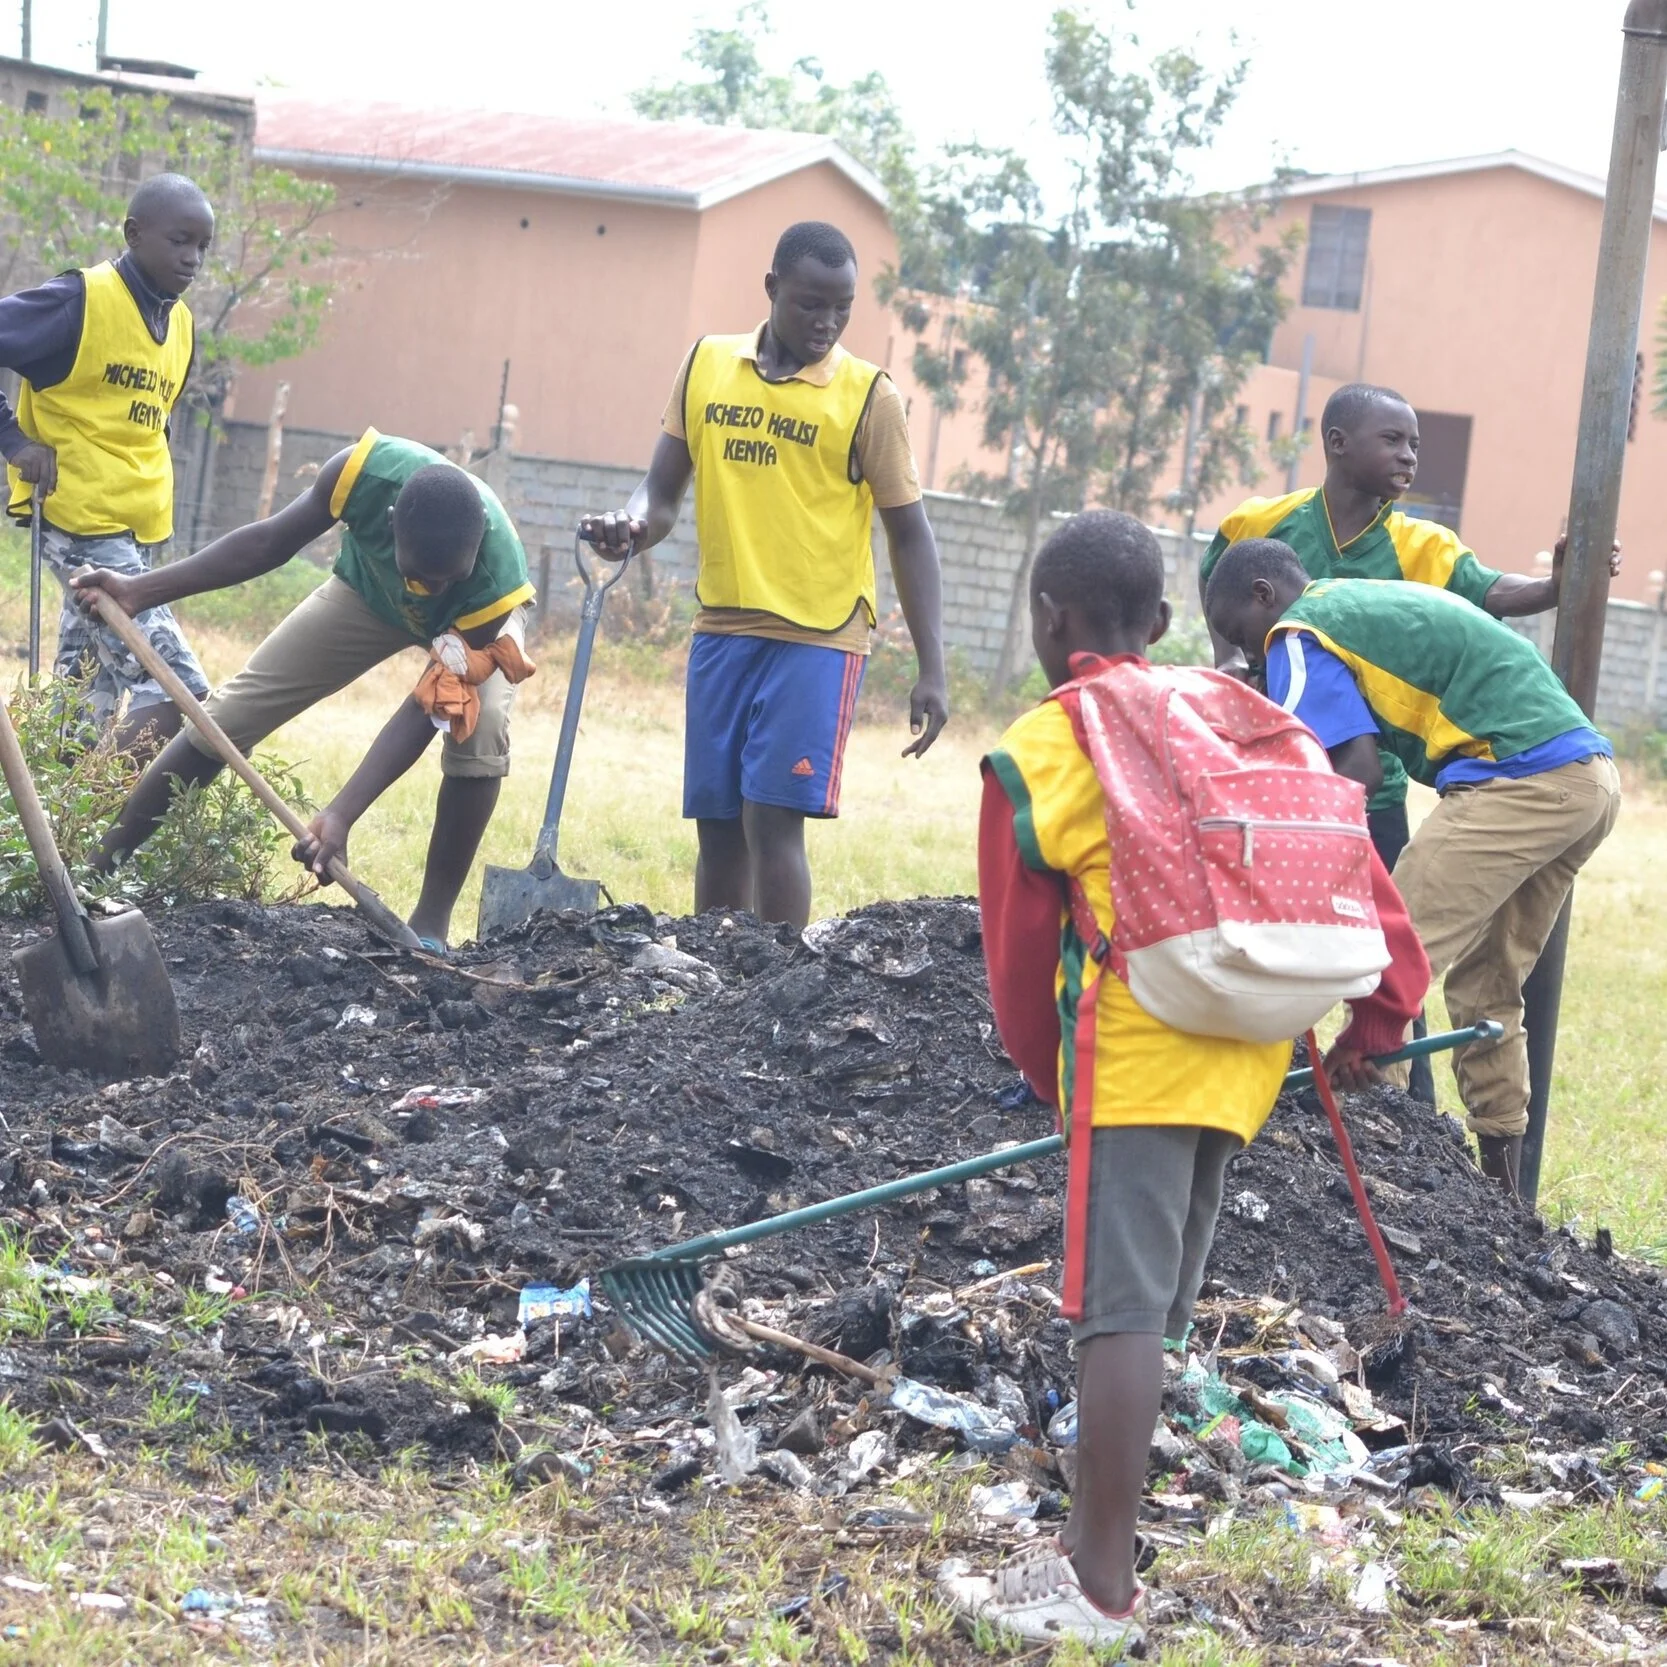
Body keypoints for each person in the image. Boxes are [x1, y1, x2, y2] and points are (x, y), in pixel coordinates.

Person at [942, 512, 1429, 1647]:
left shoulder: (1053, 736)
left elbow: (1016, 946)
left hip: (1141, 1041)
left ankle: (1096, 1590)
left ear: (1049, 620)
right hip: (1248, 1039)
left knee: (1112, 1317)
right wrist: (1378, 1017)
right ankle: (1085, 1552)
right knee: (1152, 1314)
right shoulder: (1239, 711)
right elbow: (1355, 867)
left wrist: (1045, 1069)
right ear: (1161, 622)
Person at [1205, 540, 1621, 1195]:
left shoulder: (1295, 632)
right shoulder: (1347, 604)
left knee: (1384, 948)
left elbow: (1351, 770)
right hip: (1584, 780)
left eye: (1238, 635)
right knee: (1485, 989)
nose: (1246, 654)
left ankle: (1367, 1166)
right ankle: (1505, 1202)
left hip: (1518, 776)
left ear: (1263, 596)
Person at [578, 220, 948, 929]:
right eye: (811, 303)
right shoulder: (707, 364)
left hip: (818, 636)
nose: (827, 322)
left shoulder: (870, 397)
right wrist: (627, 528)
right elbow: (657, 497)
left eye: (842, 308)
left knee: (771, 819)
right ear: (772, 288)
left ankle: (775, 987)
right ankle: (716, 984)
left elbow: (910, 532)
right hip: (722, 626)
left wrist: (932, 667)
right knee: (717, 823)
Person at [72, 429, 535, 952]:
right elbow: (268, 542)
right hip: (369, 593)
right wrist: (139, 590)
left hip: (471, 629)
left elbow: (429, 706)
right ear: (388, 526)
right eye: (422, 576)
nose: (434, 590)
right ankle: (92, 872)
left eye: (450, 577)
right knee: (231, 711)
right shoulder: (360, 474)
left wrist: (340, 813)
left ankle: (429, 926)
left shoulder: (492, 577)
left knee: (480, 733)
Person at [1198, 382, 1621, 871]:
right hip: (1276, 751)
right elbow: (1216, 575)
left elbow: (1490, 590)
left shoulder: (1421, 545)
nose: (1409, 457)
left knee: (1383, 908)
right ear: (1338, 443)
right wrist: (1229, 656)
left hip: (1369, 771)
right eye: (1392, 440)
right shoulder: (1260, 521)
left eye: (1414, 446)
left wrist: (1554, 586)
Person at [1, 173, 216, 758]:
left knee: (80, 698)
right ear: (133, 233)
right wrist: (13, 440)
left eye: (203, 245)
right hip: (82, 524)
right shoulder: (78, 300)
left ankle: (47, 822)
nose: (193, 258)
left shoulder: (182, 324)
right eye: (179, 241)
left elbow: (148, 422)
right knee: (178, 693)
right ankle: (109, 836)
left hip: (138, 531)